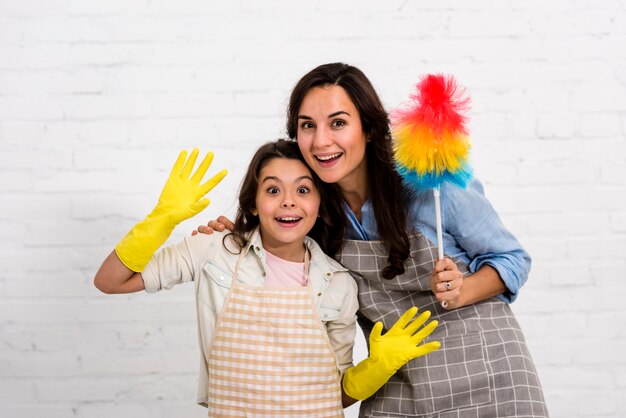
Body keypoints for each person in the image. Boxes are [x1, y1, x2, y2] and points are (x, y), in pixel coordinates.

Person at [198, 64, 549, 417]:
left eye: (338, 123)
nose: (321, 141)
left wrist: (463, 289)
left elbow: (513, 259)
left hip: (486, 373)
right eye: (308, 126)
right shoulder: (311, 211)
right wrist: (240, 237)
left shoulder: (433, 184)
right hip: (396, 380)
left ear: (368, 128)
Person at [94, 139, 440, 417]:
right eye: (273, 190)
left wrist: (375, 368)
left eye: (303, 190)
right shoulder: (215, 251)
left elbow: (334, 396)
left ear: (319, 202)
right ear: (254, 203)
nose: (288, 202)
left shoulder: (337, 283)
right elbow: (111, 281)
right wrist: (162, 218)